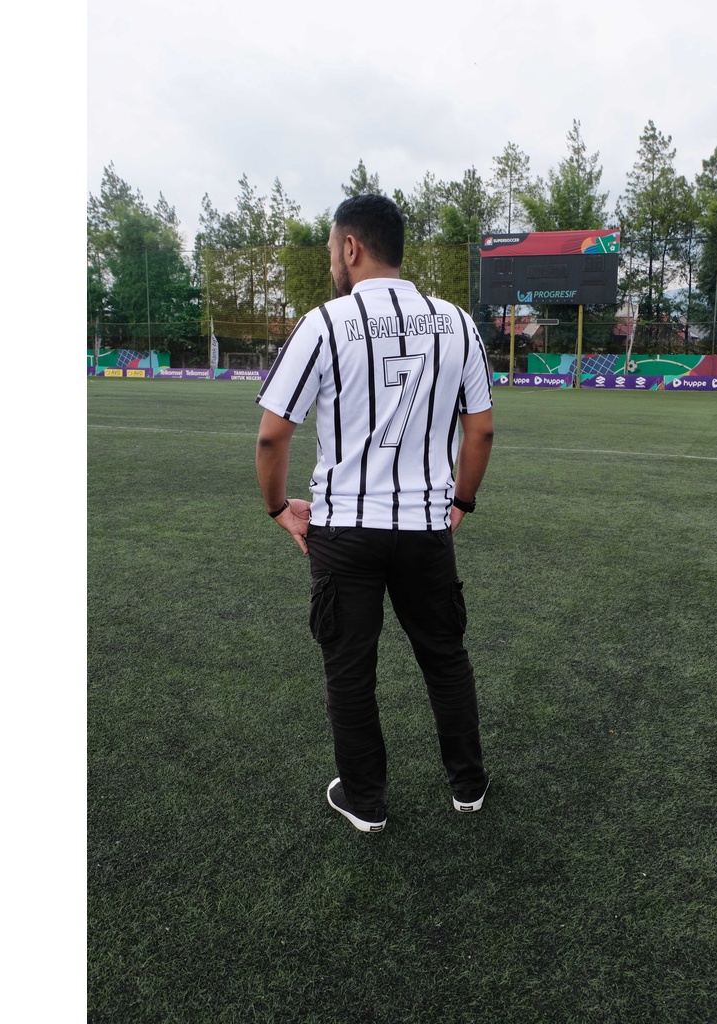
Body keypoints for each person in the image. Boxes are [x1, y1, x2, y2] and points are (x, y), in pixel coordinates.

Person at [255, 193, 494, 833]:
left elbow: (273, 436)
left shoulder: (323, 323)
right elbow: (481, 430)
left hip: (345, 529)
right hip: (425, 526)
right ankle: (468, 786)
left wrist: (277, 507)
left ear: (351, 247)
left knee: (351, 669)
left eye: (332, 249)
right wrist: (461, 501)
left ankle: (366, 802)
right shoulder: (457, 322)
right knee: (444, 656)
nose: (332, 261)